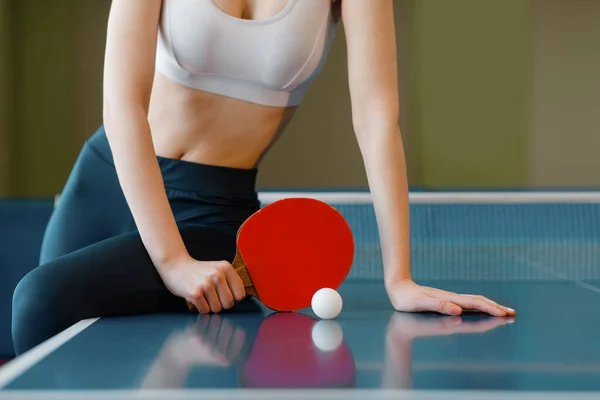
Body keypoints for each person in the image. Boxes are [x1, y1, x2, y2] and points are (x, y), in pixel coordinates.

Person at [11, 0, 515, 355]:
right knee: (44, 337)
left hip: (211, 212)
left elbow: (376, 118)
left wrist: (398, 277)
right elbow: (123, 105)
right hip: (108, 182)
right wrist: (170, 260)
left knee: (40, 298)